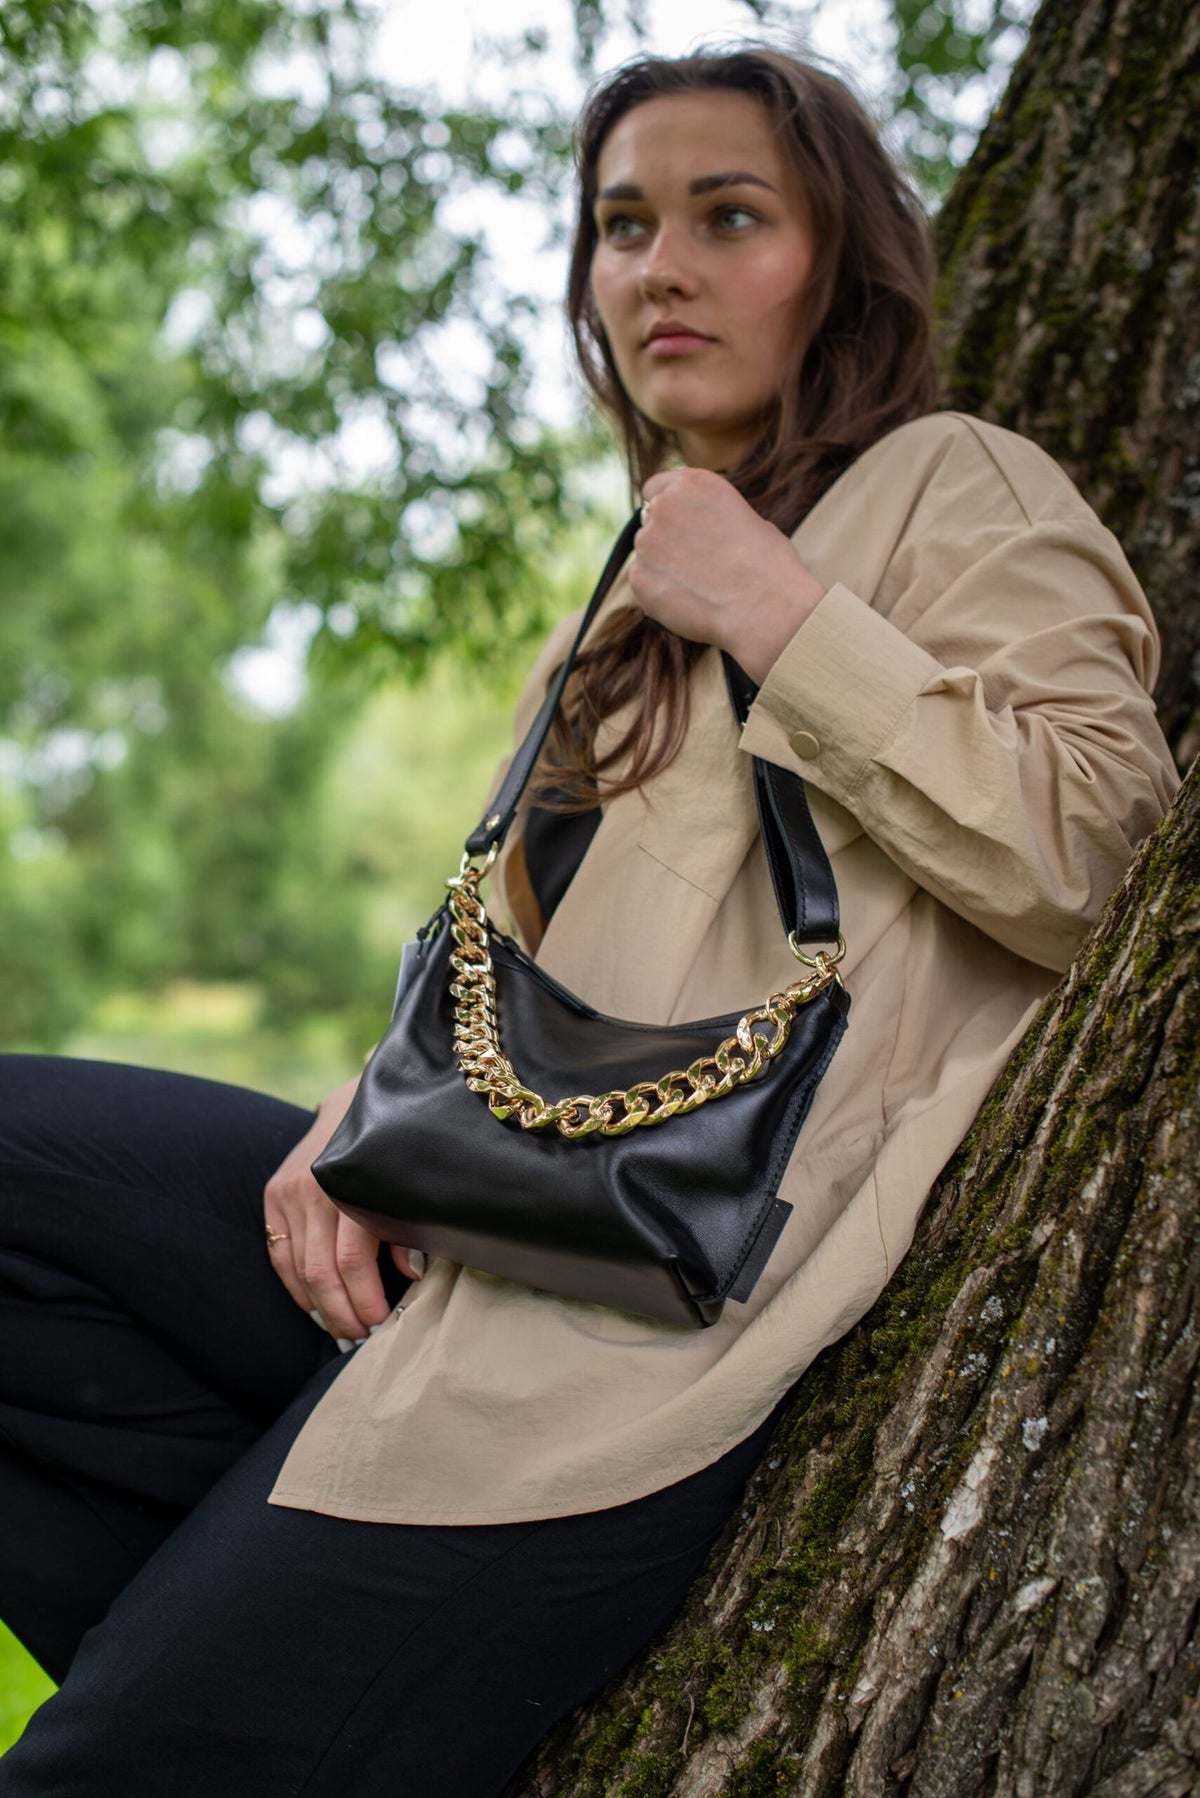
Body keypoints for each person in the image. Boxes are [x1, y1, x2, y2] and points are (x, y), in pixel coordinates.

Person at [0, 43, 1178, 1798]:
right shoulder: (613, 613)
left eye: (729, 216)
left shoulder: (960, 484)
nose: (661, 268)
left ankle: (241, 1684)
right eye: (624, 226)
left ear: (842, 263)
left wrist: (786, 616)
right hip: (470, 1226)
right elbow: (522, 965)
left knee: (99, 1770)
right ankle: (260, 1665)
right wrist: (358, 1107)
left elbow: (1109, 857)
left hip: (643, 1336)